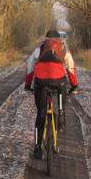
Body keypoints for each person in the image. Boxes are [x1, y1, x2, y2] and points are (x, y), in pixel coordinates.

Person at [24, 29, 79, 159]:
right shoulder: (63, 47)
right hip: (58, 81)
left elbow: (30, 66)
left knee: (41, 113)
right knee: (61, 85)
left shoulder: (40, 48)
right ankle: (60, 112)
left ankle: (37, 147)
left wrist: (27, 84)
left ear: (46, 38)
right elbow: (70, 67)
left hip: (41, 83)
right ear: (58, 38)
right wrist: (74, 85)